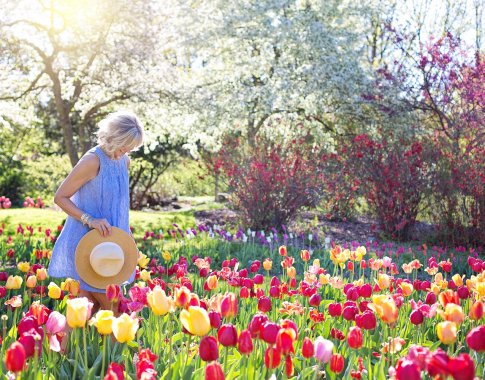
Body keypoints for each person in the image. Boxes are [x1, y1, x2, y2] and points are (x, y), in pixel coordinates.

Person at [48, 111, 144, 313]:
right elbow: (60, 197)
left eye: (129, 149)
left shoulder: (124, 161)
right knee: (117, 312)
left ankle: (52, 344)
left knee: (87, 310)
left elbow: (118, 206)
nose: (124, 153)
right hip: (91, 245)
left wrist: (125, 238)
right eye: (122, 147)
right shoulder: (93, 161)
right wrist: (89, 219)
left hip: (112, 245)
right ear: (112, 137)